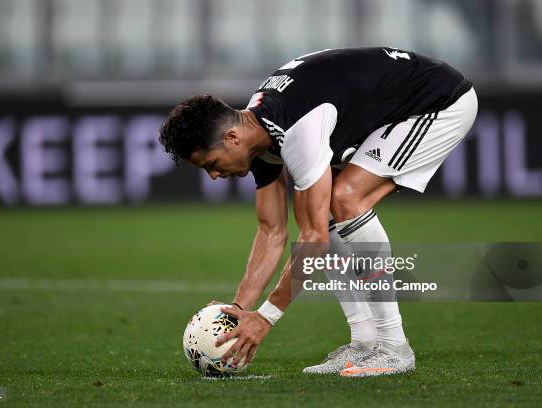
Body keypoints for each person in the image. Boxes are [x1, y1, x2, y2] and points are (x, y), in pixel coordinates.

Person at [158, 47, 477, 377]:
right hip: (393, 107)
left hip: (438, 101)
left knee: (345, 199)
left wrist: (265, 318)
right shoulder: (259, 133)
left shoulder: (297, 128)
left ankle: (394, 346)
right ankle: (365, 342)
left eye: (211, 164)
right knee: (324, 209)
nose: (213, 176)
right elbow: (271, 232)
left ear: (232, 137)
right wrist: (239, 309)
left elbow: (314, 241)